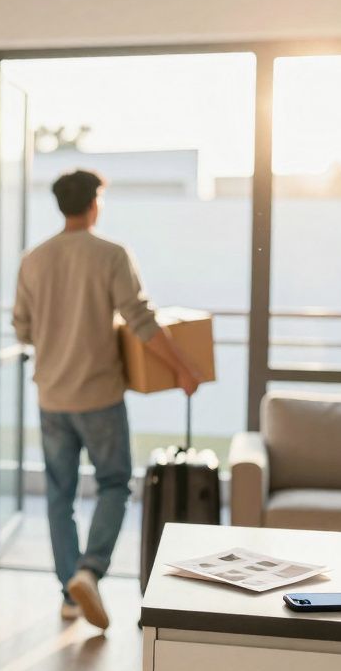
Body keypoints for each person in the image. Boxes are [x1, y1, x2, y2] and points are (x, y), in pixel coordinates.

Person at [12, 169, 200, 630]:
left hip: (52, 395)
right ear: (94, 204)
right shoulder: (111, 254)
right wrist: (182, 369)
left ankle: (70, 596)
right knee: (115, 484)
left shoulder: (34, 259)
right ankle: (89, 571)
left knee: (60, 494)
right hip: (99, 395)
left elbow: (22, 328)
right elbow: (142, 320)